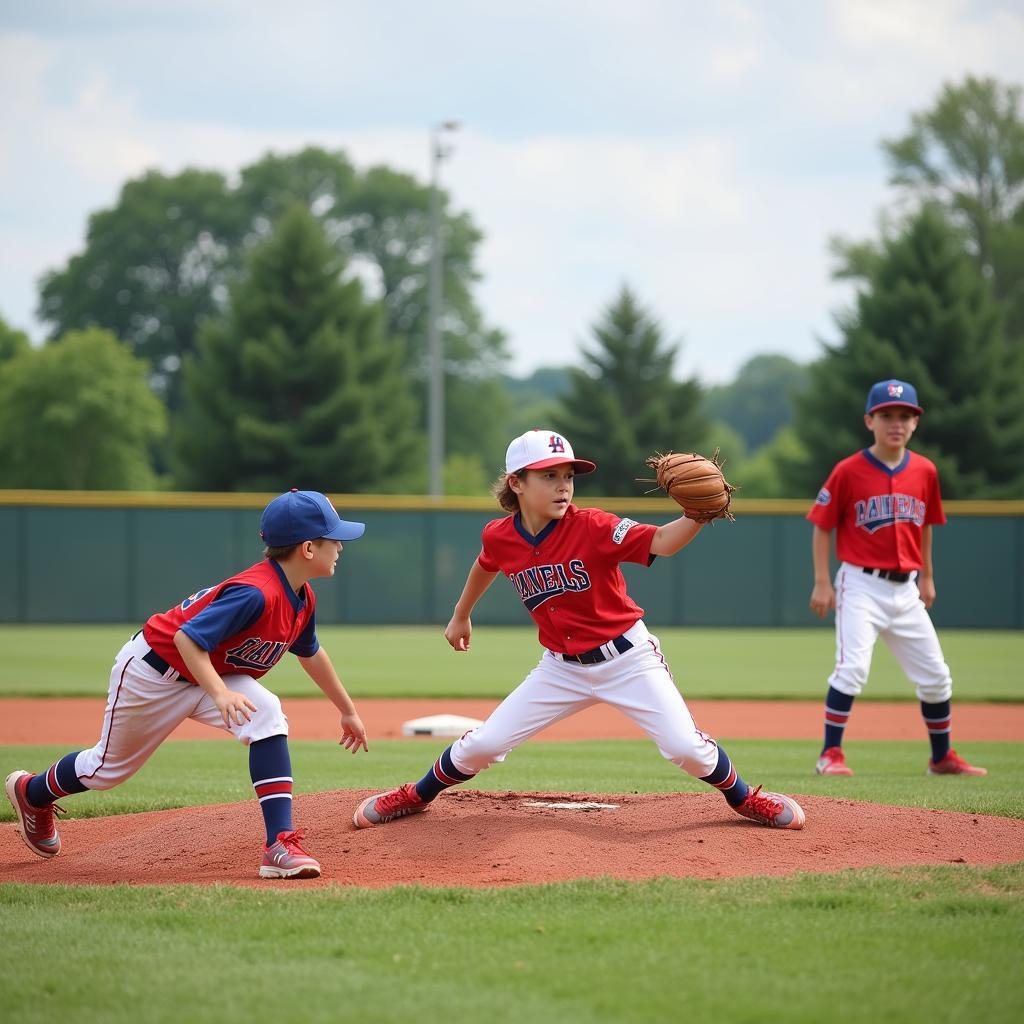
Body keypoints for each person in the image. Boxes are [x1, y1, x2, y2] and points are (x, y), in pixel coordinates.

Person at [353, 429, 805, 832]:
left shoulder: (593, 526)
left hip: (627, 659)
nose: (563, 485)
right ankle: (416, 796)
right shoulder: (500, 535)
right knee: (485, 743)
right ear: (517, 483)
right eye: (549, 476)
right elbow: (485, 563)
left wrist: (698, 516)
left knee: (685, 748)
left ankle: (745, 798)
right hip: (560, 669)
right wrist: (461, 613)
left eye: (568, 475)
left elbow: (663, 543)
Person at [6, 488, 370, 879]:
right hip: (154, 673)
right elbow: (187, 639)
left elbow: (310, 652)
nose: (340, 547)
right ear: (308, 549)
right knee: (107, 770)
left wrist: (346, 709)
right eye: (334, 538)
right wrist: (219, 692)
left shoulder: (302, 597)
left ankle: (279, 843)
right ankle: (32, 792)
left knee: (267, 714)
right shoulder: (256, 593)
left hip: (207, 672)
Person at [807, 380, 986, 777]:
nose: (896, 423)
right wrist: (822, 581)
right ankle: (830, 755)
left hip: (906, 589)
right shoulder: (848, 471)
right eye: (887, 415)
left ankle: (941, 758)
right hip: (860, 585)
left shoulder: (925, 470)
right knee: (852, 669)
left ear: (915, 423)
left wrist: (928, 576)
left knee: (937, 677)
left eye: (905, 416)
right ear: (869, 420)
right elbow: (822, 525)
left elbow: (926, 525)